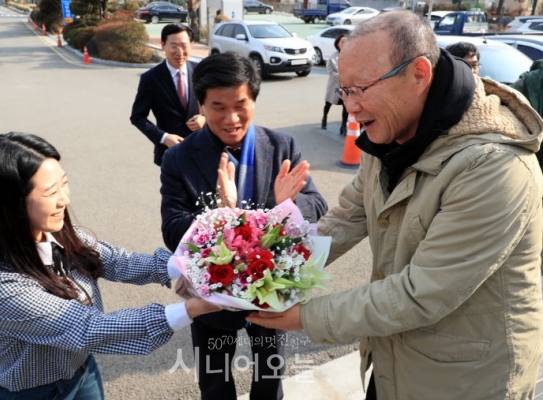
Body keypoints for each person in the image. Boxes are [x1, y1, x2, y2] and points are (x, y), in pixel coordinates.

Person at [247, 10, 543, 400]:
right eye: (344, 91)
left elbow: (422, 292)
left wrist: (305, 316)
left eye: (361, 88)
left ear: (419, 74)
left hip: (468, 378)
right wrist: (265, 272)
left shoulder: (494, 166)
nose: (350, 106)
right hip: (394, 358)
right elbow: (345, 220)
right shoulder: (391, 135)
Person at [0, 132, 219, 400]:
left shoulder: (61, 234)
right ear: (10, 203)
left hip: (82, 369)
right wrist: (194, 308)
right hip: (33, 391)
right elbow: (89, 328)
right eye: (51, 192)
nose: (64, 200)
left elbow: (119, 261)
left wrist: (193, 265)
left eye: (64, 184)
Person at [160, 52, 328, 400]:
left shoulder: (282, 145)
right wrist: (222, 214)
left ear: (253, 99)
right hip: (212, 297)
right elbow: (173, 227)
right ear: (201, 106)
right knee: (214, 380)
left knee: (270, 380)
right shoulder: (180, 157)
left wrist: (288, 205)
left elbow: (317, 204)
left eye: (241, 104)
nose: (231, 118)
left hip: (270, 290)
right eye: (218, 106)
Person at [130, 23, 205, 166]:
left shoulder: (201, 72)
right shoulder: (151, 78)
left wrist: (204, 118)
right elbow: (137, 117)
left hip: (202, 148)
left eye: (184, 45)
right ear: (163, 45)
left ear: (191, 45)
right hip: (170, 153)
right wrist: (164, 137)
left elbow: (216, 104)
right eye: (174, 46)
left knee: (207, 189)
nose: (179, 51)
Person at [322, 33, 349, 135]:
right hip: (334, 85)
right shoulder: (332, 57)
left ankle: (343, 126)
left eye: (346, 41)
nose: (344, 43)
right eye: (342, 41)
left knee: (345, 106)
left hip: (346, 86)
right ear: (338, 44)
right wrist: (341, 76)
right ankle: (324, 118)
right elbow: (330, 72)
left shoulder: (351, 55)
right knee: (328, 104)